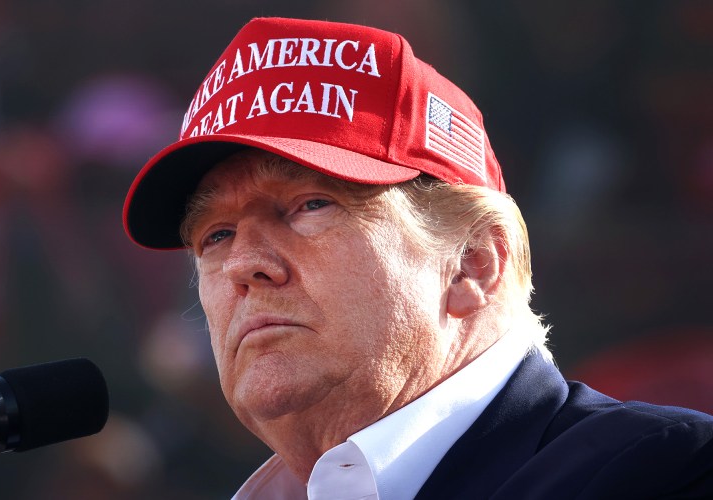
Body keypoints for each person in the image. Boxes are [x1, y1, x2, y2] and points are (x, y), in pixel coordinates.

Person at [121, 17, 713, 499]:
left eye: (310, 205)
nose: (244, 263)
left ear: (474, 262)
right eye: (215, 235)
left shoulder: (664, 473)